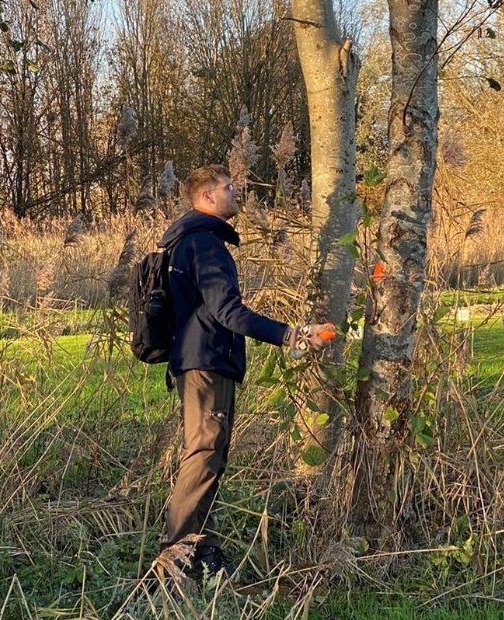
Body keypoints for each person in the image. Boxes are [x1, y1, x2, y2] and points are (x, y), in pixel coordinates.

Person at [157, 164, 333, 578]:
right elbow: (228, 311)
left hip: (195, 362)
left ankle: (202, 550)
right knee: (202, 456)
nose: (237, 192)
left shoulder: (186, 242)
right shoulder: (205, 243)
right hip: (206, 364)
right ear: (206, 198)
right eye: (228, 187)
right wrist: (291, 334)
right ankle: (173, 560)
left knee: (209, 456)